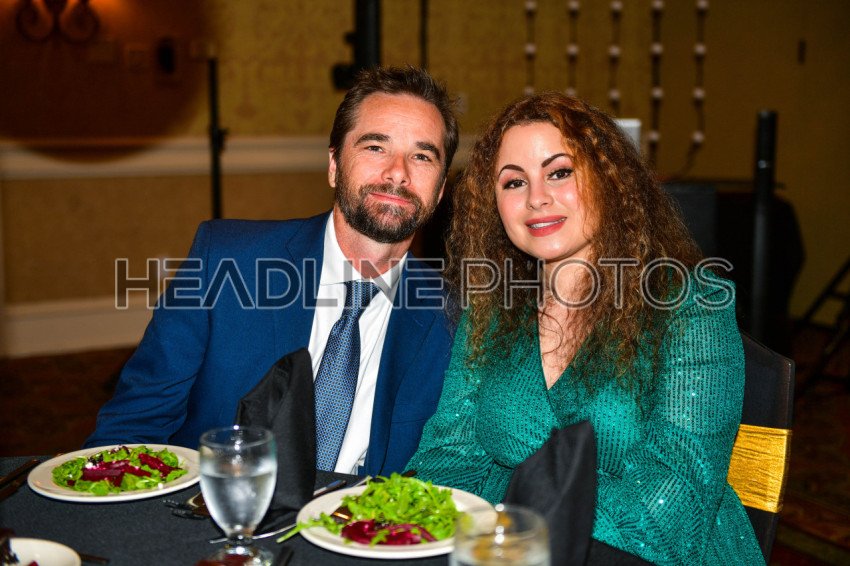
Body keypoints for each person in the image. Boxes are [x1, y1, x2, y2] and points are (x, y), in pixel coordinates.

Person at [407, 92, 764, 564]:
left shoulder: (690, 305)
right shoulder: (492, 310)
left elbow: (673, 509)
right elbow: (449, 456)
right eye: (514, 182)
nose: (537, 197)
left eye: (559, 172)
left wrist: (514, 524)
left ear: (609, 180)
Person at [85, 66, 459, 477]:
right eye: (375, 147)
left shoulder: (454, 319)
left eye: (422, 156)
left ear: (440, 190)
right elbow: (133, 427)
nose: (398, 172)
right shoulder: (225, 262)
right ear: (334, 165)